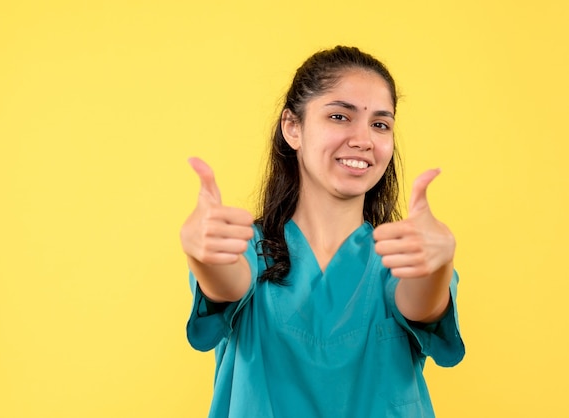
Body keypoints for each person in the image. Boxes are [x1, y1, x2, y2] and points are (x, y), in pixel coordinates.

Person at [180, 45, 465, 418]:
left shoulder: (401, 255)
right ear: (292, 128)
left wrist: (438, 266)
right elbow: (227, 282)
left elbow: (422, 303)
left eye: (380, 124)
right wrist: (203, 254)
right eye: (339, 116)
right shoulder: (249, 247)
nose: (363, 139)